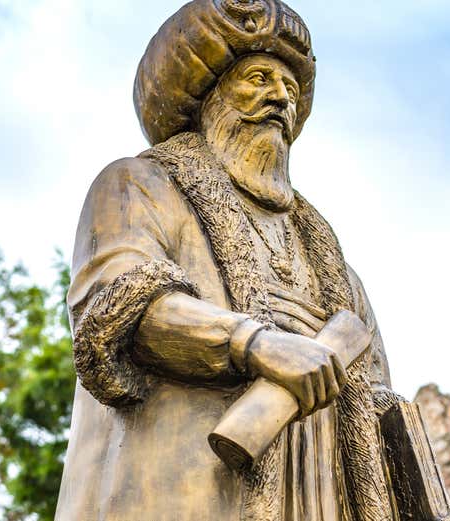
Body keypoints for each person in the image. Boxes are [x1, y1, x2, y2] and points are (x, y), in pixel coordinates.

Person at [55, 1, 402, 519]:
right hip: (186, 487)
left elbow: (377, 395)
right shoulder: (138, 185)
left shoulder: (334, 266)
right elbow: (118, 306)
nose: (280, 98)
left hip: (317, 495)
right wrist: (256, 344)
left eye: (290, 87)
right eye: (258, 78)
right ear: (206, 95)